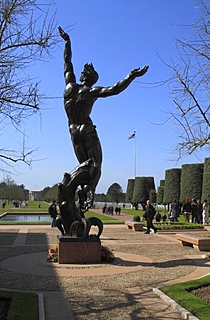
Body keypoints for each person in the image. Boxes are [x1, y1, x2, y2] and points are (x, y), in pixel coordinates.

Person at [58, 26, 148, 205]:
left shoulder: (69, 86)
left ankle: (82, 192)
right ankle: (89, 190)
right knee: (96, 165)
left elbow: (67, 61)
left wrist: (67, 42)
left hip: (73, 131)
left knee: (84, 165)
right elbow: (114, 89)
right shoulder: (91, 91)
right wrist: (131, 76)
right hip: (87, 129)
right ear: (92, 80)